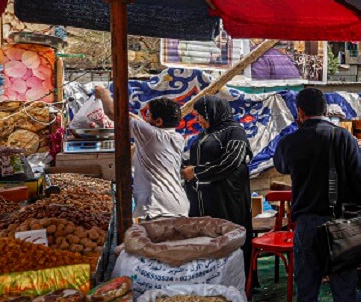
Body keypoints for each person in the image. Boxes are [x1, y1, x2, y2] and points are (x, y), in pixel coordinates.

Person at [274, 87, 361, 302]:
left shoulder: (292, 140)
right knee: (344, 291)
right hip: (339, 225)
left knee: (307, 291)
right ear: (327, 109)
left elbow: (280, 164)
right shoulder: (342, 137)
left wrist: (297, 128)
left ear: (300, 112)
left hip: (306, 226)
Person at [92, 86, 187, 220]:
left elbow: (112, 112)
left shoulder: (152, 135)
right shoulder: (176, 137)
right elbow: (139, 121)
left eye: (148, 115)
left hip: (156, 208)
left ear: (159, 121)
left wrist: (103, 93)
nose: (145, 118)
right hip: (177, 205)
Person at [181, 96, 252, 230]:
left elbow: (231, 161)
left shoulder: (235, 131)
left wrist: (196, 172)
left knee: (227, 235)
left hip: (226, 197)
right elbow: (198, 159)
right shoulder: (205, 134)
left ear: (212, 112)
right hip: (203, 198)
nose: (196, 120)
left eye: (199, 115)